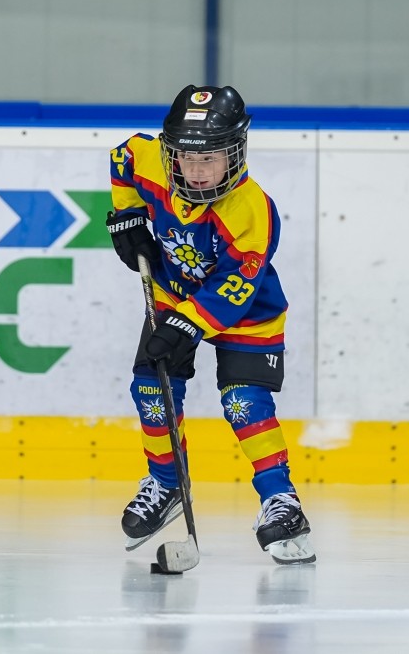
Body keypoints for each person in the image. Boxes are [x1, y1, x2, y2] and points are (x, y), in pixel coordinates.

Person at [105, 84, 316, 565]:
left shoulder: (251, 209)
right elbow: (123, 158)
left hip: (247, 311)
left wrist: (186, 325)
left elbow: (233, 287)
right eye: (186, 158)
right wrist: (127, 216)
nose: (196, 171)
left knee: (244, 403)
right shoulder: (150, 161)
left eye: (210, 159)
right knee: (152, 390)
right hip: (173, 294)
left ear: (234, 154)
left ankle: (281, 502)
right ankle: (166, 484)